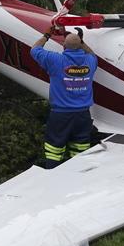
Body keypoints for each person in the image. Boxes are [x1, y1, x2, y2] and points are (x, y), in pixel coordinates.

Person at [31, 27, 98, 169]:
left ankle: (53, 177)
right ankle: (79, 180)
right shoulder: (90, 62)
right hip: (83, 115)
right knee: (80, 151)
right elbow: (92, 54)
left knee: (54, 150)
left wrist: (47, 34)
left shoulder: (55, 60)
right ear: (79, 46)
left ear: (64, 46)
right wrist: (81, 42)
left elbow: (35, 50)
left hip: (61, 115)